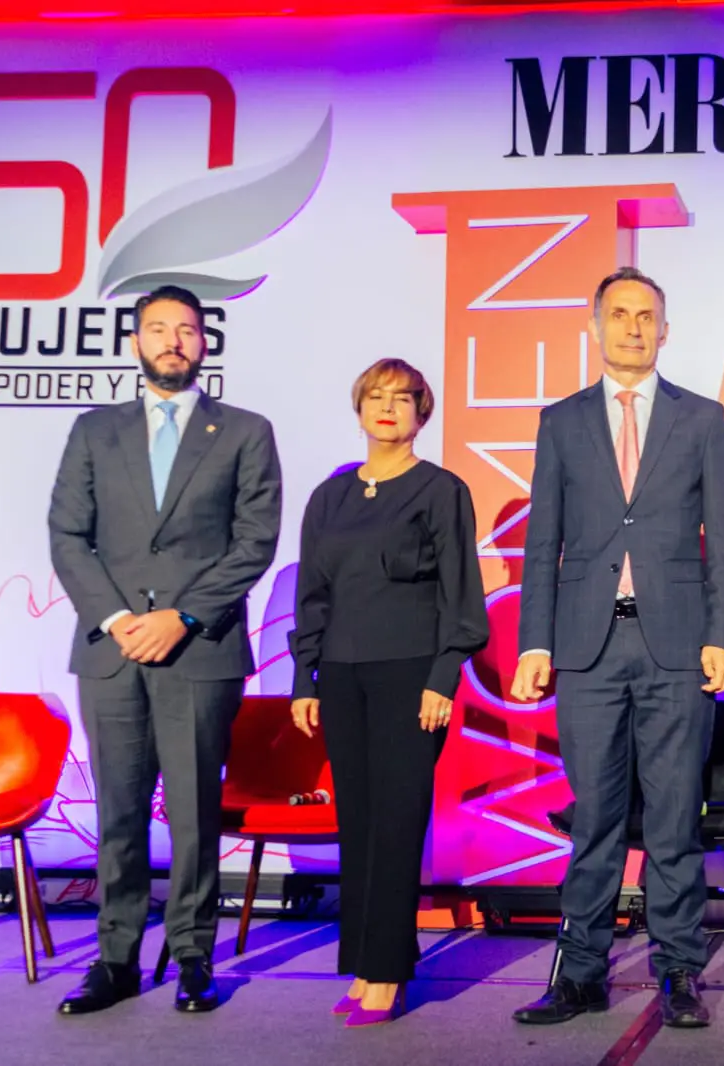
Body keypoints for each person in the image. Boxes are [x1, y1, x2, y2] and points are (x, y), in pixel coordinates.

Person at [509, 267, 724, 1029]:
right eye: (620, 314)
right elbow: (542, 543)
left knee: (675, 820)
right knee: (595, 819)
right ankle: (580, 973)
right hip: (587, 647)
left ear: (666, 330)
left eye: (647, 316)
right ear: (594, 324)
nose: (634, 327)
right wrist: (534, 642)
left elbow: (722, 544)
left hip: (676, 646)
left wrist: (720, 634)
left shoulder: (702, 419)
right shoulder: (562, 421)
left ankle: (678, 972)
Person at [48, 284, 282, 1015]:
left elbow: (255, 544)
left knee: (192, 811)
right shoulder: (94, 430)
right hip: (112, 650)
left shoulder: (244, 430)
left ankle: (191, 956)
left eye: (186, 329)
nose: (173, 340)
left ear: (204, 343)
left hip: (198, 650)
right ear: (134, 344)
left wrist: (181, 616)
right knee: (118, 812)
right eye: (158, 329)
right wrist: (119, 617)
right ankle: (115, 958)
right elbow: (67, 536)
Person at [287, 358, 489, 1027]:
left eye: (403, 398)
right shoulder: (329, 496)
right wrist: (303, 676)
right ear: (358, 407)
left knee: (399, 823)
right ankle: (365, 964)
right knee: (361, 825)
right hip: (340, 675)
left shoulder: (440, 490)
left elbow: (461, 593)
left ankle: (390, 974)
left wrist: (443, 676)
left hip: (410, 675)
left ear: (420, 413)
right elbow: (311, 595)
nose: (388, 407)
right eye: (376, 396)